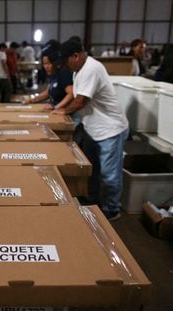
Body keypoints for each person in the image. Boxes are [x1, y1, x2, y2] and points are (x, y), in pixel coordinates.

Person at [53, 38, 129, 221]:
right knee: (92, 170)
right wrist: (59, 109)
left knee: (109, 174)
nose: (65, 65)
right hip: (93, 128)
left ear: (76, 56)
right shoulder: (78, 71)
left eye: (66, 61)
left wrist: (62, 110)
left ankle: (112, 209)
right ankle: (92, 202)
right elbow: (76, 96)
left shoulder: (91, 69)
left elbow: (80, 101)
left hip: (109, 130)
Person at [28, 40, 73, 111]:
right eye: (44, 64)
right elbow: (48, 92)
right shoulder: (53, 75)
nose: (46, 67)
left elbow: (71, 93)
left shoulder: (64, 73)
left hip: (65, 112)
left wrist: (57, 107)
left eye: (48, 64)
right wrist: (30, 100)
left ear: (56, 62)